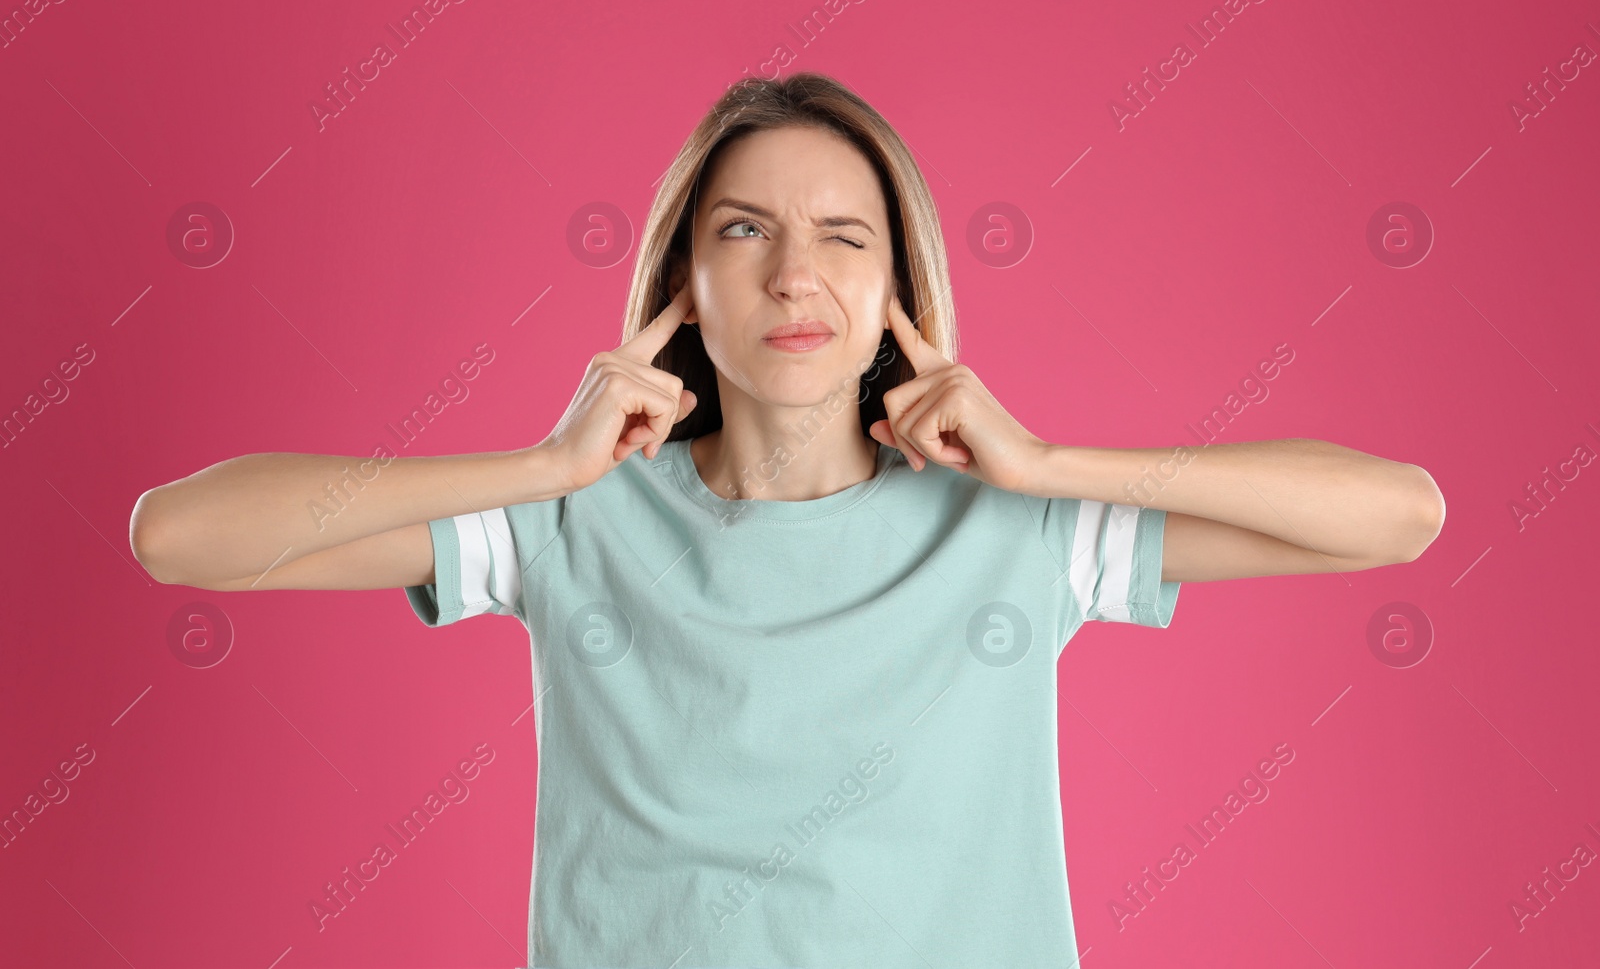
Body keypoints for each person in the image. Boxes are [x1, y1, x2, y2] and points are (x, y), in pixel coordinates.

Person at [129, 73, 1446, 969]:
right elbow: (179, 538)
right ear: (685, 284)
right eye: (745, 230)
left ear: (896, 285)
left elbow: (1398, 516)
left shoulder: (1016, 527)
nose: (795, 274)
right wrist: (536, 466)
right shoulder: (567, 521)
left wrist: (1046, 462)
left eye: (843, 237)